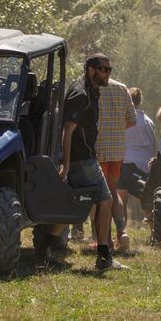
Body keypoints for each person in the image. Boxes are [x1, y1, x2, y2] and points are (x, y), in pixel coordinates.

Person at [36, 53, 129, 271]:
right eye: (104, 69)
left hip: (85, 157)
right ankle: (104, 257)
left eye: (109, 69)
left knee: (76, 202)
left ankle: (44, 248)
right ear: (91, 70)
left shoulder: (92, 90)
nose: (108, 73)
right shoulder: (81, 94)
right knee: (105, 200)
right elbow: (67, 131)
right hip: (82, 159)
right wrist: (66, 165)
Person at [96, 76, 137, 251]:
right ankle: (121, 232)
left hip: (97, 149)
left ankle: (106, 241)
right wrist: (116, 129)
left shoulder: (92, 88)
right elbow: (132, 119)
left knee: (101, 195)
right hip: (117, 149)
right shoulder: (122, 88)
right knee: (113, 190)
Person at [116, 87, 156, 252]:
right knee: (146, 200)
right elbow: (152, 144)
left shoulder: (124, 119)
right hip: (141, 165)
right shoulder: (148, 121)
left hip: (124, 162)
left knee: (121, 202)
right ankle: (155, 233)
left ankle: (121, 234)